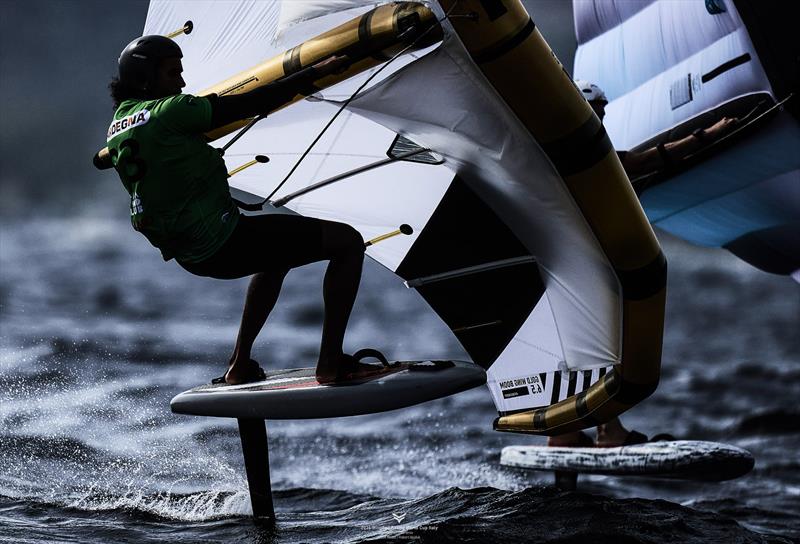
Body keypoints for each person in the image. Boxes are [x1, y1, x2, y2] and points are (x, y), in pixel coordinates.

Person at [106, 35, 388, 385]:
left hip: (192, 256)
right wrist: (312, 74)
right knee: (347, 242)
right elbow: (252, 103)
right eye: (171, 73)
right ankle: (330, 362)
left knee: (277, 254)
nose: (180, 82)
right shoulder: (171, 110)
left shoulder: (117, 127)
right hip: (225, 242)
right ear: (146, 79)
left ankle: (239, 366)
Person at [549, 81, 738, 447]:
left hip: (570, 271)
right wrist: (709, 134)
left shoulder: (562, 151)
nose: (600, 118)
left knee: (583, 351)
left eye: (602, 111)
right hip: (582, 273)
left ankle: (568, 432)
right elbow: (640, 161)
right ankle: (602, 432)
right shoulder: (576, 151)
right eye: (596, 111)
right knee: (602, 351)